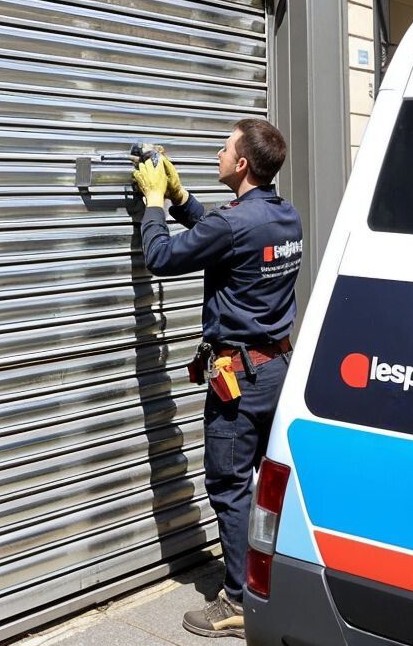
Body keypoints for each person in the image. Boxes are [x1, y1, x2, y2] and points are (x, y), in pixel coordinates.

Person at [132, 119, 301, 640]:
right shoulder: (283, 216)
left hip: (241, 381)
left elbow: (162, 256)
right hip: (276, 370)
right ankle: (274, 579)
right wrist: (183, 199)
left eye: (225, 148)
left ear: (243, 164)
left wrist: (155, 202)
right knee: (266, 482)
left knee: (229, 486)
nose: (218, 153)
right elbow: (224, 235)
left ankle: (236, 599)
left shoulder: (235, 225)